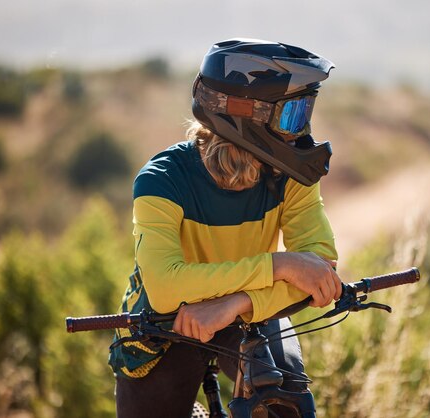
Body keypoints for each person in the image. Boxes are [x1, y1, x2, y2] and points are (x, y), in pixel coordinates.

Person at [109, 38, 342, 418]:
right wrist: (281, 266)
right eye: (293, 115)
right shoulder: (162, 179)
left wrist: (235, 304)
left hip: (250, 313)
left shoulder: (295, 173)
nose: (301, 132)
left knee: (288, 404)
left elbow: (320, 270)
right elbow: (167, 288)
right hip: (164, 324)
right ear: (247, 115)